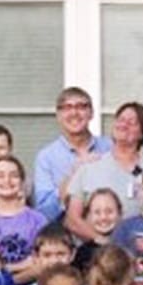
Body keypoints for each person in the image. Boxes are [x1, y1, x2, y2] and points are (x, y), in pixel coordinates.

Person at [64, 101, 143, 241]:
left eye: (132, 122)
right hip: (95, 254)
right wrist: (101, 241)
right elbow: (72, 219)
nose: (124, 125)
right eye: (121, 120)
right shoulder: (89, 166)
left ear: (142, 133)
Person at [32, 86, 111, 221]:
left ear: (91, 113)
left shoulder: (109, 148)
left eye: (81, 106)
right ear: (58, 115)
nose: (74, 113)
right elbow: (45, 213)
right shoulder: (46, 157)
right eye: (67, 107)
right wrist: (73, 176)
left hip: (109, 232)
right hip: (65, 236)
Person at [0, 155, 49, 285]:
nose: (7, 180)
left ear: (22, 182)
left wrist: (7, 277)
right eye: (0, 176)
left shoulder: (38, 220)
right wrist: (21, 266)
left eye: (14, 175)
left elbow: (43, 262)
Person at [70, 188, 122, 272]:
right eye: (97, 212)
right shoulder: (82, 253)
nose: (103, 217)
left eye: (109, 212)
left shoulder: (128, 247)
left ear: (120, 213)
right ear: (88, 215)